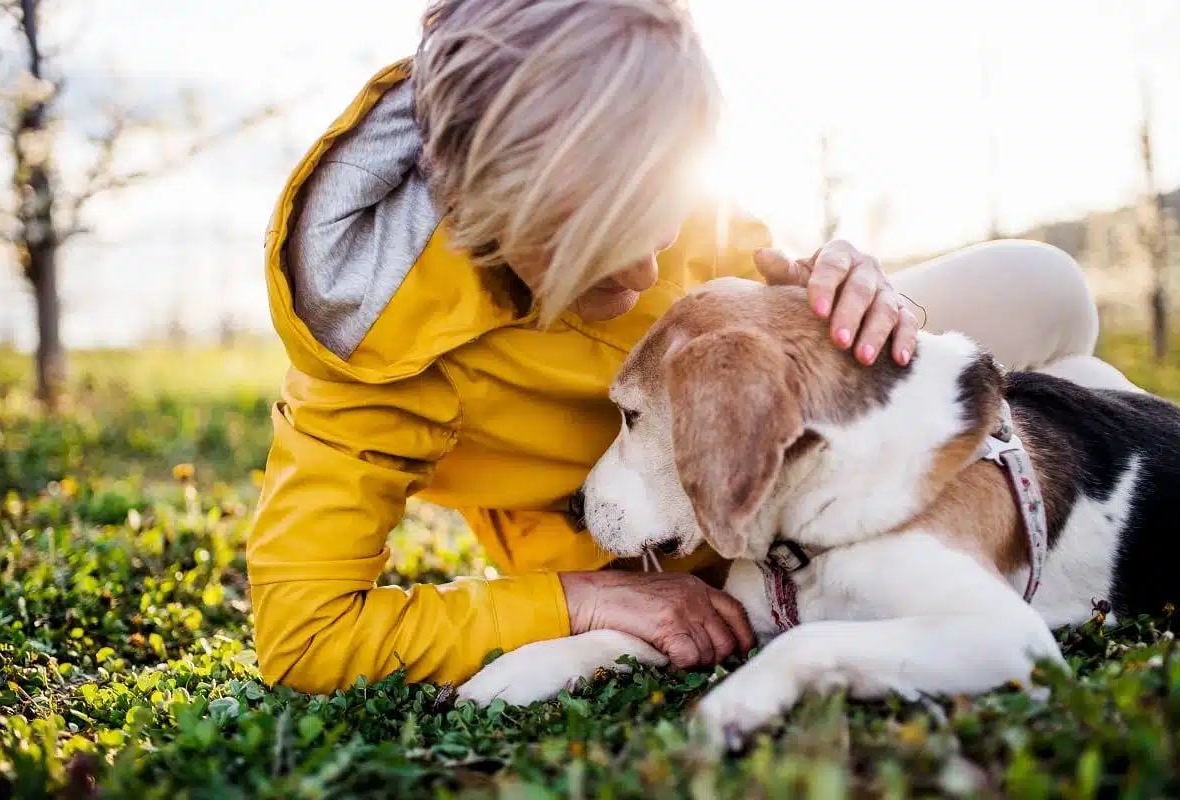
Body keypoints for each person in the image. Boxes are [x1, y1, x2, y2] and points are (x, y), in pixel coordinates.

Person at [247, 0, 1138, 696]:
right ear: (484, 208)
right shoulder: (371, 341)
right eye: (597, 247)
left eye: (659, 222)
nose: (646, 271)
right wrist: (582, 600)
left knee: (1046, 288)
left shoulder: (655, 159)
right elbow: (306, 633)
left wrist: (848, 292)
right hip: (640, 535)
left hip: (788, 456)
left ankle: (1066, 500)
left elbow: (759, 304)